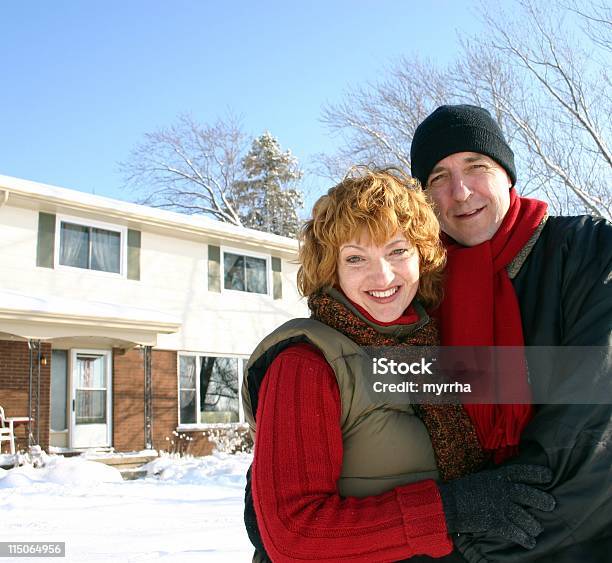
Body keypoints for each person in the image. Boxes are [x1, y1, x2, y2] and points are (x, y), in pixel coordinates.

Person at [241, 168, 555, 562]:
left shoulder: (425, 352)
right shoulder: (304, 363)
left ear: (422, 257)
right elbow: (294, 533)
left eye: (397, 251)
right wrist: (450, 510)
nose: (383, 275)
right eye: (356, 258)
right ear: (330, 269)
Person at [410, 104, 612, 562]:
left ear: (507, 173)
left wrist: (463, 548)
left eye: (475, 166)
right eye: (438, 177)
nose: (460, 192)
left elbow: (589, 436)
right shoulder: (414, 288)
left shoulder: (590, 252)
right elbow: (368, 401)